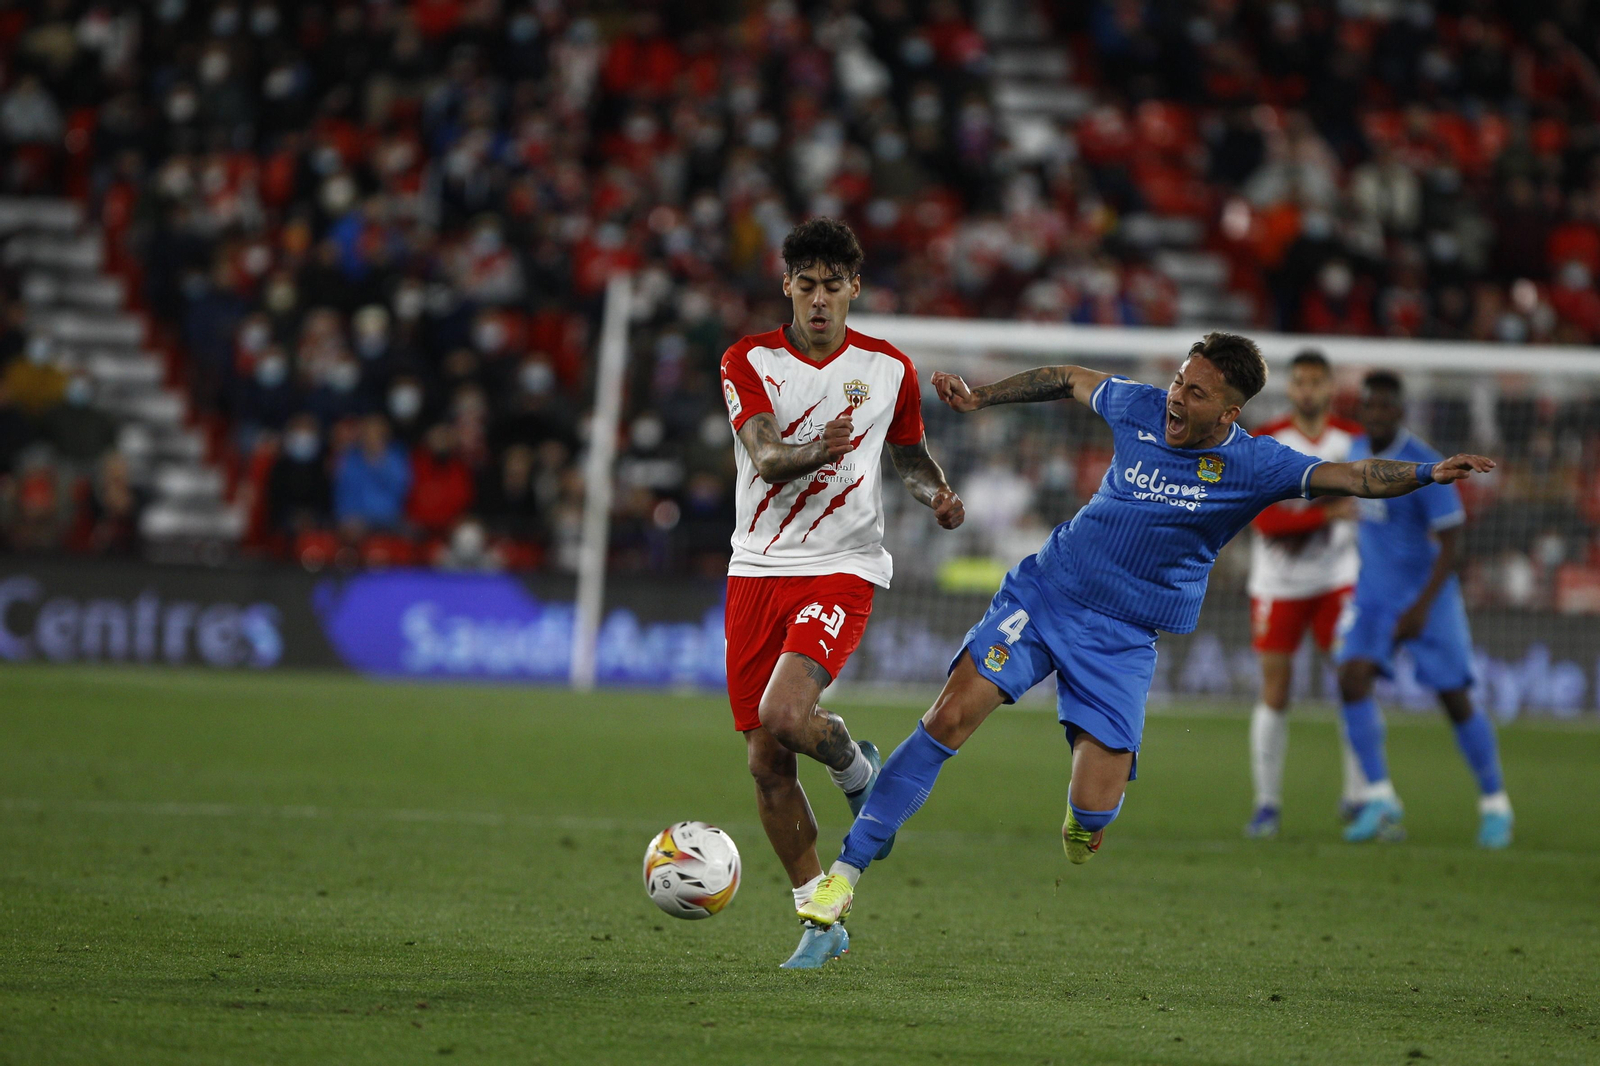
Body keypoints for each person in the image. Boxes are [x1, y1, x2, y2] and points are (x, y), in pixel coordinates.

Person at [796, 333, 1494, 934]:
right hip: (1047, 592)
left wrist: (1431, 472)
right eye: (1177, 382)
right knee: (948, 717)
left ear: (1230, 410)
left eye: (1195, 393)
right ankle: (848, 870)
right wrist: (981, 398)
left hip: (1124, 638)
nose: (1175, 399)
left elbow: (1359, 477)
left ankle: (1083, 825)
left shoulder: (1258, 465)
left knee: (1094, 810)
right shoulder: (1138, 406)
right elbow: (1069, 378)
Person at [719, 217, 963, 969]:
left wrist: (938, 496)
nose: (819, 300)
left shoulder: (888, 368)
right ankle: (821, 920)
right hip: (757, 568)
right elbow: (763, 455)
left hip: (843, 565)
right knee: (766, 761)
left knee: (786, 714)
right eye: (806, 285)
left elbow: (910, 458)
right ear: (786, 286)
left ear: (854, 288)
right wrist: (813, 449)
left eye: (833, 286)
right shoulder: (747, 359)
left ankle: (860, 774)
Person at [1336, 371, 1512, 848]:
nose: (1376, 413)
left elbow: (1452, 541)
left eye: (1385, 406)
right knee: (1351, 678)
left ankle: (1496, 803)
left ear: (1399, 411)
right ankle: (1379, 797)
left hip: (1427, 599)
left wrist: (1420, 605)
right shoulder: (1354, 451)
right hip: (1373, 597)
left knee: (1455, 698)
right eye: (1369, 405)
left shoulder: (1427, 463)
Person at [1243, 350, 1367, 839]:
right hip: (1278, 585)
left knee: (1353, 683)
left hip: (1339, 579)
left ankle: (1361, 797)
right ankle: (1267, 803)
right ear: (1291, 389)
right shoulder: (1267, 439)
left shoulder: (1351, 439)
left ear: (1330, 387)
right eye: (1301, 382)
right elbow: (1266, 521)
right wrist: (1327, 515)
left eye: (1318, 381)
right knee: (1275, 690)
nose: (1309, 389)